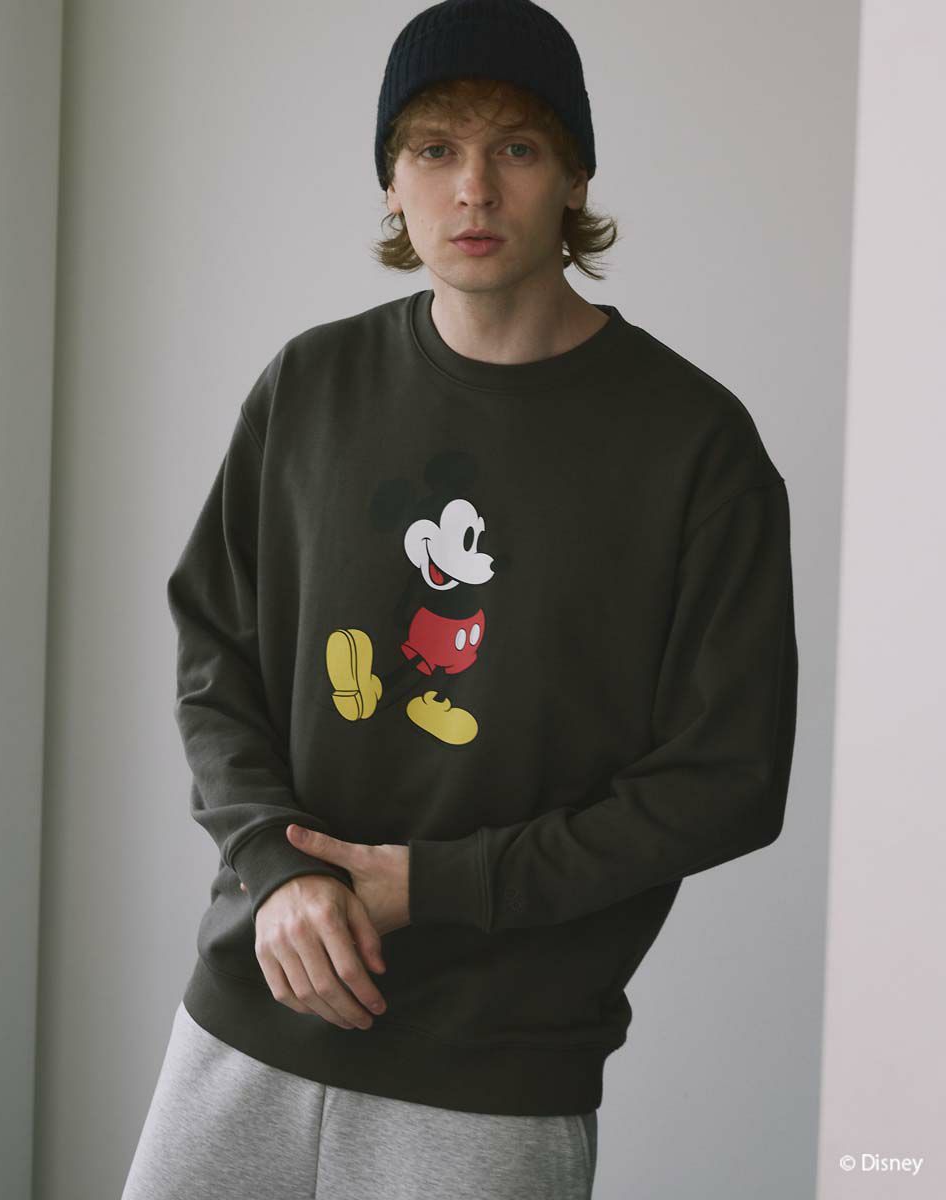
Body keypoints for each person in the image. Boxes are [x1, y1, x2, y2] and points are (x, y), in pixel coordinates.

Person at [122, 0, 798, 1196]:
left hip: (495, 1066)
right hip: (253, 1005)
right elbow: (214, 653)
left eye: (516, 147)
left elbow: (726, 781)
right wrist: (276, 864)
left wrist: (435, 886)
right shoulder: (309, 386)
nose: (472, 188)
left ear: (575, 177)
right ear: (391, 181)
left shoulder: (693, 446)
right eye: (434, 149)